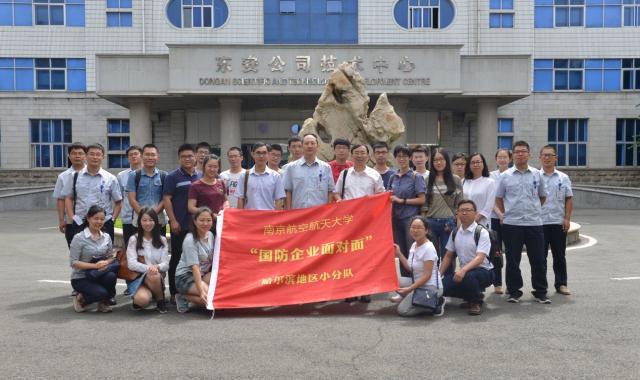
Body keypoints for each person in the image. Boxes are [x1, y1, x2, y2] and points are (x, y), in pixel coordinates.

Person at [495, 140, 549, 304]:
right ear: (513, 155)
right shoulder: (505, 176)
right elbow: (499, 198)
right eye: (517, 151)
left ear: (529, 154)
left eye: (523, 151)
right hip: (512, 224)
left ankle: (540, 291)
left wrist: (533, 209)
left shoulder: (537, 174)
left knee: (538, 259)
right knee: (512, 259)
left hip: (534, 223)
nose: (520, 154)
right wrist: (507, 213)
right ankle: (514, 291)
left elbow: (543, 196)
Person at [335, 144, 385, 303]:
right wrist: (339, 201)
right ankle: (349, 290)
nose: (359, 155)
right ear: (352, 155)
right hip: (348, 223)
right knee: (348, 257)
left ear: (368, 155)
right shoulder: (344, 174)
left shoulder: (374, 175)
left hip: (367, 223)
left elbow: (381, 196)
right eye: (356, 153)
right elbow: (336, 193)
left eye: (362, 153)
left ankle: (365, 290)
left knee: (365, 257)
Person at [440, 200, 495, 316]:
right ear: (457, 214)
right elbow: (449, 255)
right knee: (443, 286)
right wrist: (438, 275)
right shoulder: (455, 232)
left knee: (469, 276)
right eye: (461, 210)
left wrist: (463, 270)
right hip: (465, 272)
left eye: (468, 210)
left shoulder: (481, 232)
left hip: (484, 272)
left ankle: (475, 302)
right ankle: (472, 295)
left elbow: (480, 258)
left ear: (475, 213)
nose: (464, 213)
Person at [163, 143, 202, 304]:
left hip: (198, 226)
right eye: (184, 156)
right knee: (177, 258)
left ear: (195, 157)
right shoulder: (172, 177)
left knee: (198, 260)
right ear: (179, 159)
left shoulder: (200, 175)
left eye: (190, 156)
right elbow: (167, 199)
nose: (187, 159)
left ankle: (195, 289)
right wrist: (172, 220)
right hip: (180, 224)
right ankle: (173, 291)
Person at [63, 143, 122, 242]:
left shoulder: (110, 178)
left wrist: (112, 220)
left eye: (98, 154)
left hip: (103, 223)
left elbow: (118, 202)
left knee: (105, 254)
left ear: (103, 157)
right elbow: (68, 198)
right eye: (92, 154)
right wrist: (72, 217)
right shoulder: (74, 176)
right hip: (80, 222)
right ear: (86, 156)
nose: (95, 157)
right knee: (80, 254)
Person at [392, 216, 444, 317]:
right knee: (393, 282)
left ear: (426, 230)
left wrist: (410, 288)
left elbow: (427, 276)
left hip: (430, 287)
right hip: (417, 283)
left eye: (419, 228)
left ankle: (435, 304)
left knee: (402, 310)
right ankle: (416, 299)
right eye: (413, 227)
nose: (415, 230)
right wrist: (399, 253)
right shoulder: (414, 245)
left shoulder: (429, 248)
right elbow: (410, 268)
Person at [69, 205, 118, 313]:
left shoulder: (106, 237)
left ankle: (103, 302)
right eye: (96, 218)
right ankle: (81, 299)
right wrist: (95, 266)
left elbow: (111, 257)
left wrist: (105, 262)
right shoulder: (79, 238)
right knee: (101, 293)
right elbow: (73, 262)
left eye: (102, 219)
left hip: (98, 274)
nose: (99, 222)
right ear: (88, 218)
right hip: (81, 277)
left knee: (111, 276)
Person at [540, 145, 574, 296]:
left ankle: (561, 284)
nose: (547, 158)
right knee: (540, 257)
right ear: (540, 157)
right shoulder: (535, 176)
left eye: (550, 155)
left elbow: (568, 199)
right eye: (544, 155)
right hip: (539, 223)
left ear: (556, 158)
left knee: (559, 255)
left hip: (557, 222)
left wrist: (567, 218)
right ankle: (541, 286)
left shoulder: (563, 177)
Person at [423, 148, 463, 268]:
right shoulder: (427, 180)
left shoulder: (455, 180)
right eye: (435, 160)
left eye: (441, 159)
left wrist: (459, 224)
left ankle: (449, 283)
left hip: (449, 223)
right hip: (431, 222)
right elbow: (424, 205)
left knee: (448, 255)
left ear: (446, 161)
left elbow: (459, 204)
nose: (438, 163)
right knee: (431, 255)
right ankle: (433, 281)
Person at [389, 145, 426, 275]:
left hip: (410, 220)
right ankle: (405, 283)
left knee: (412, 250)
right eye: (399, 156)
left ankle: (416, 282)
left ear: (410, 158)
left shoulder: (416, 176)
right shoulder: (393, 177)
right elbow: (388, 197)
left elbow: (422, 199)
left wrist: (402, 201)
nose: (401, 159)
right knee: (399, 251)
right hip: (395, 219)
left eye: (404, 156)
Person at [126, 207, 169, 313]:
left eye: (151, 220)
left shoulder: (162, 240)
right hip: (138, 277)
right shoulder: (134, 239)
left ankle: (160, 300)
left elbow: (166, 264)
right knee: (142, 300)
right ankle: (152, 292)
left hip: (156, 276)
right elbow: (131, 264)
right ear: (139, 222)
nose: (148, 223)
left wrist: (157, 267)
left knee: (154, 275)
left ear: (155, 221)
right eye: (144, 220)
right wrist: (149, 268)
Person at [174, 207, 215, 313]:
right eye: (201, 220)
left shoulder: (210, 235)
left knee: (219, 291)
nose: (205, 223)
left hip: (202, 275)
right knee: (212, 300)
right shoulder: (190, 240)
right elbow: (195, 268)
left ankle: (196, 294)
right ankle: (183, 297)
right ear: (195, 221)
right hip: (185, 277)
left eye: (208, 220)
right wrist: (201, 291)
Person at [283, 133, 335, 209]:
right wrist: (289, 211)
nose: (309, 146)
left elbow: (330, 191)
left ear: (318, 146)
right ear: (302, 146)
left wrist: (328, 210)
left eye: (312, 143)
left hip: (320, 213)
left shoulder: (326, 167)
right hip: (298, 213)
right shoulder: (291, 168)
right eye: (306, 143)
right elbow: (288, 192)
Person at [127, 143, 167, 237]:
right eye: (147, 154)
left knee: (159, 248)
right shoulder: (134, 175)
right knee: (140, 248)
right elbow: (132, 199)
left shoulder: (164, 175)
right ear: (141, 156)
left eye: (153, 155)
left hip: (159, 220)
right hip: (139, 220)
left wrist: (152, 214)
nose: (150, 157)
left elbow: (165, 199)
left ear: (158, 157)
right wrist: (143, 215)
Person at [53, 142, 86, 248]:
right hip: (72, 221)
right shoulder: (63, 176)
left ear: (85, 156)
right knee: (74, 249)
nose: (77, 156)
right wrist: (62, 219)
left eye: (80, 153)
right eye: (74, 153)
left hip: (91, 219)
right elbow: (61, 199)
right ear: (69, 156)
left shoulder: (92, 173)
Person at [236, 142, 286, 210]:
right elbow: (240, 199)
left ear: (268, 154)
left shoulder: (275, 176)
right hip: (250, 218)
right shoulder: (244, 176)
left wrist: (275, 218)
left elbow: (279, 200)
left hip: (268, 218)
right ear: (252, 154)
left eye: (264, 153)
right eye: (258, 153)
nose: (261, 156)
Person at [489, 148, 512, 294]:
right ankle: (497, 283)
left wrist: (506, 215)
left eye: (505, 157)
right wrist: (500, 214)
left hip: (511, 219)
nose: (502, 159)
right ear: (496, 159)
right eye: (499, 157)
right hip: (495, 218)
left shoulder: (513, 174)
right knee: (496, 252)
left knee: (511, 253)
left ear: (510, 159)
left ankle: (512, 284)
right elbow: (490, 198)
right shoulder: (491, 176)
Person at [117, 145, 142, 248]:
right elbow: (119, 197)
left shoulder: (150, 173)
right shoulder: (121, 176)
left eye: (136, 154)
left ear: (141, 156)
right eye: (130, 155)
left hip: (145, 218)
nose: (133, 156)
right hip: (128, 219)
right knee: (129, 248)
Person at [463, 153, 496, 228]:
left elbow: (489, 205)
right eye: (473, 163)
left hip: (481, 223)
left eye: (478, 162)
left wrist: (474, 220)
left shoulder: (489, 182)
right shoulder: (464, 182)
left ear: (483, 163)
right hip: (464, 221)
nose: (475, 165)